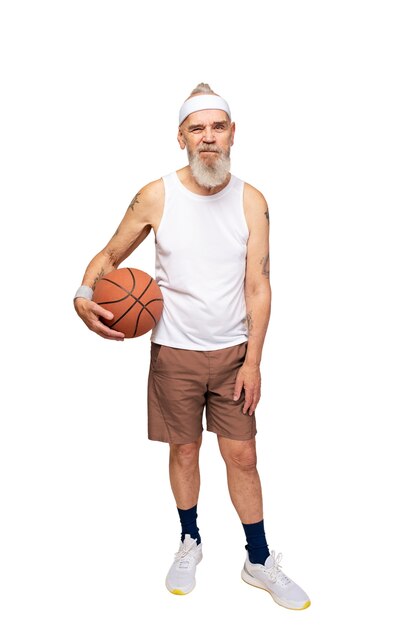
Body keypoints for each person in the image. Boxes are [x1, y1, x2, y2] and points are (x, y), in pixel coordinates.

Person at [74, 83, 310, 610]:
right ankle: (190, 541)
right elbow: (110, 254)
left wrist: (254, 361)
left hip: (233, 353)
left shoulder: (252, 200)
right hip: (173, 353)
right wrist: (83, 294)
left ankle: (258, 557)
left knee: (242, 455)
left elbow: (259, 285)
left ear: (232, 135)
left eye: (217, 127)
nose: (208, 138)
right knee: (184, 450)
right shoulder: (157, 194)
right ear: (181, 136)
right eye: (197, 128)